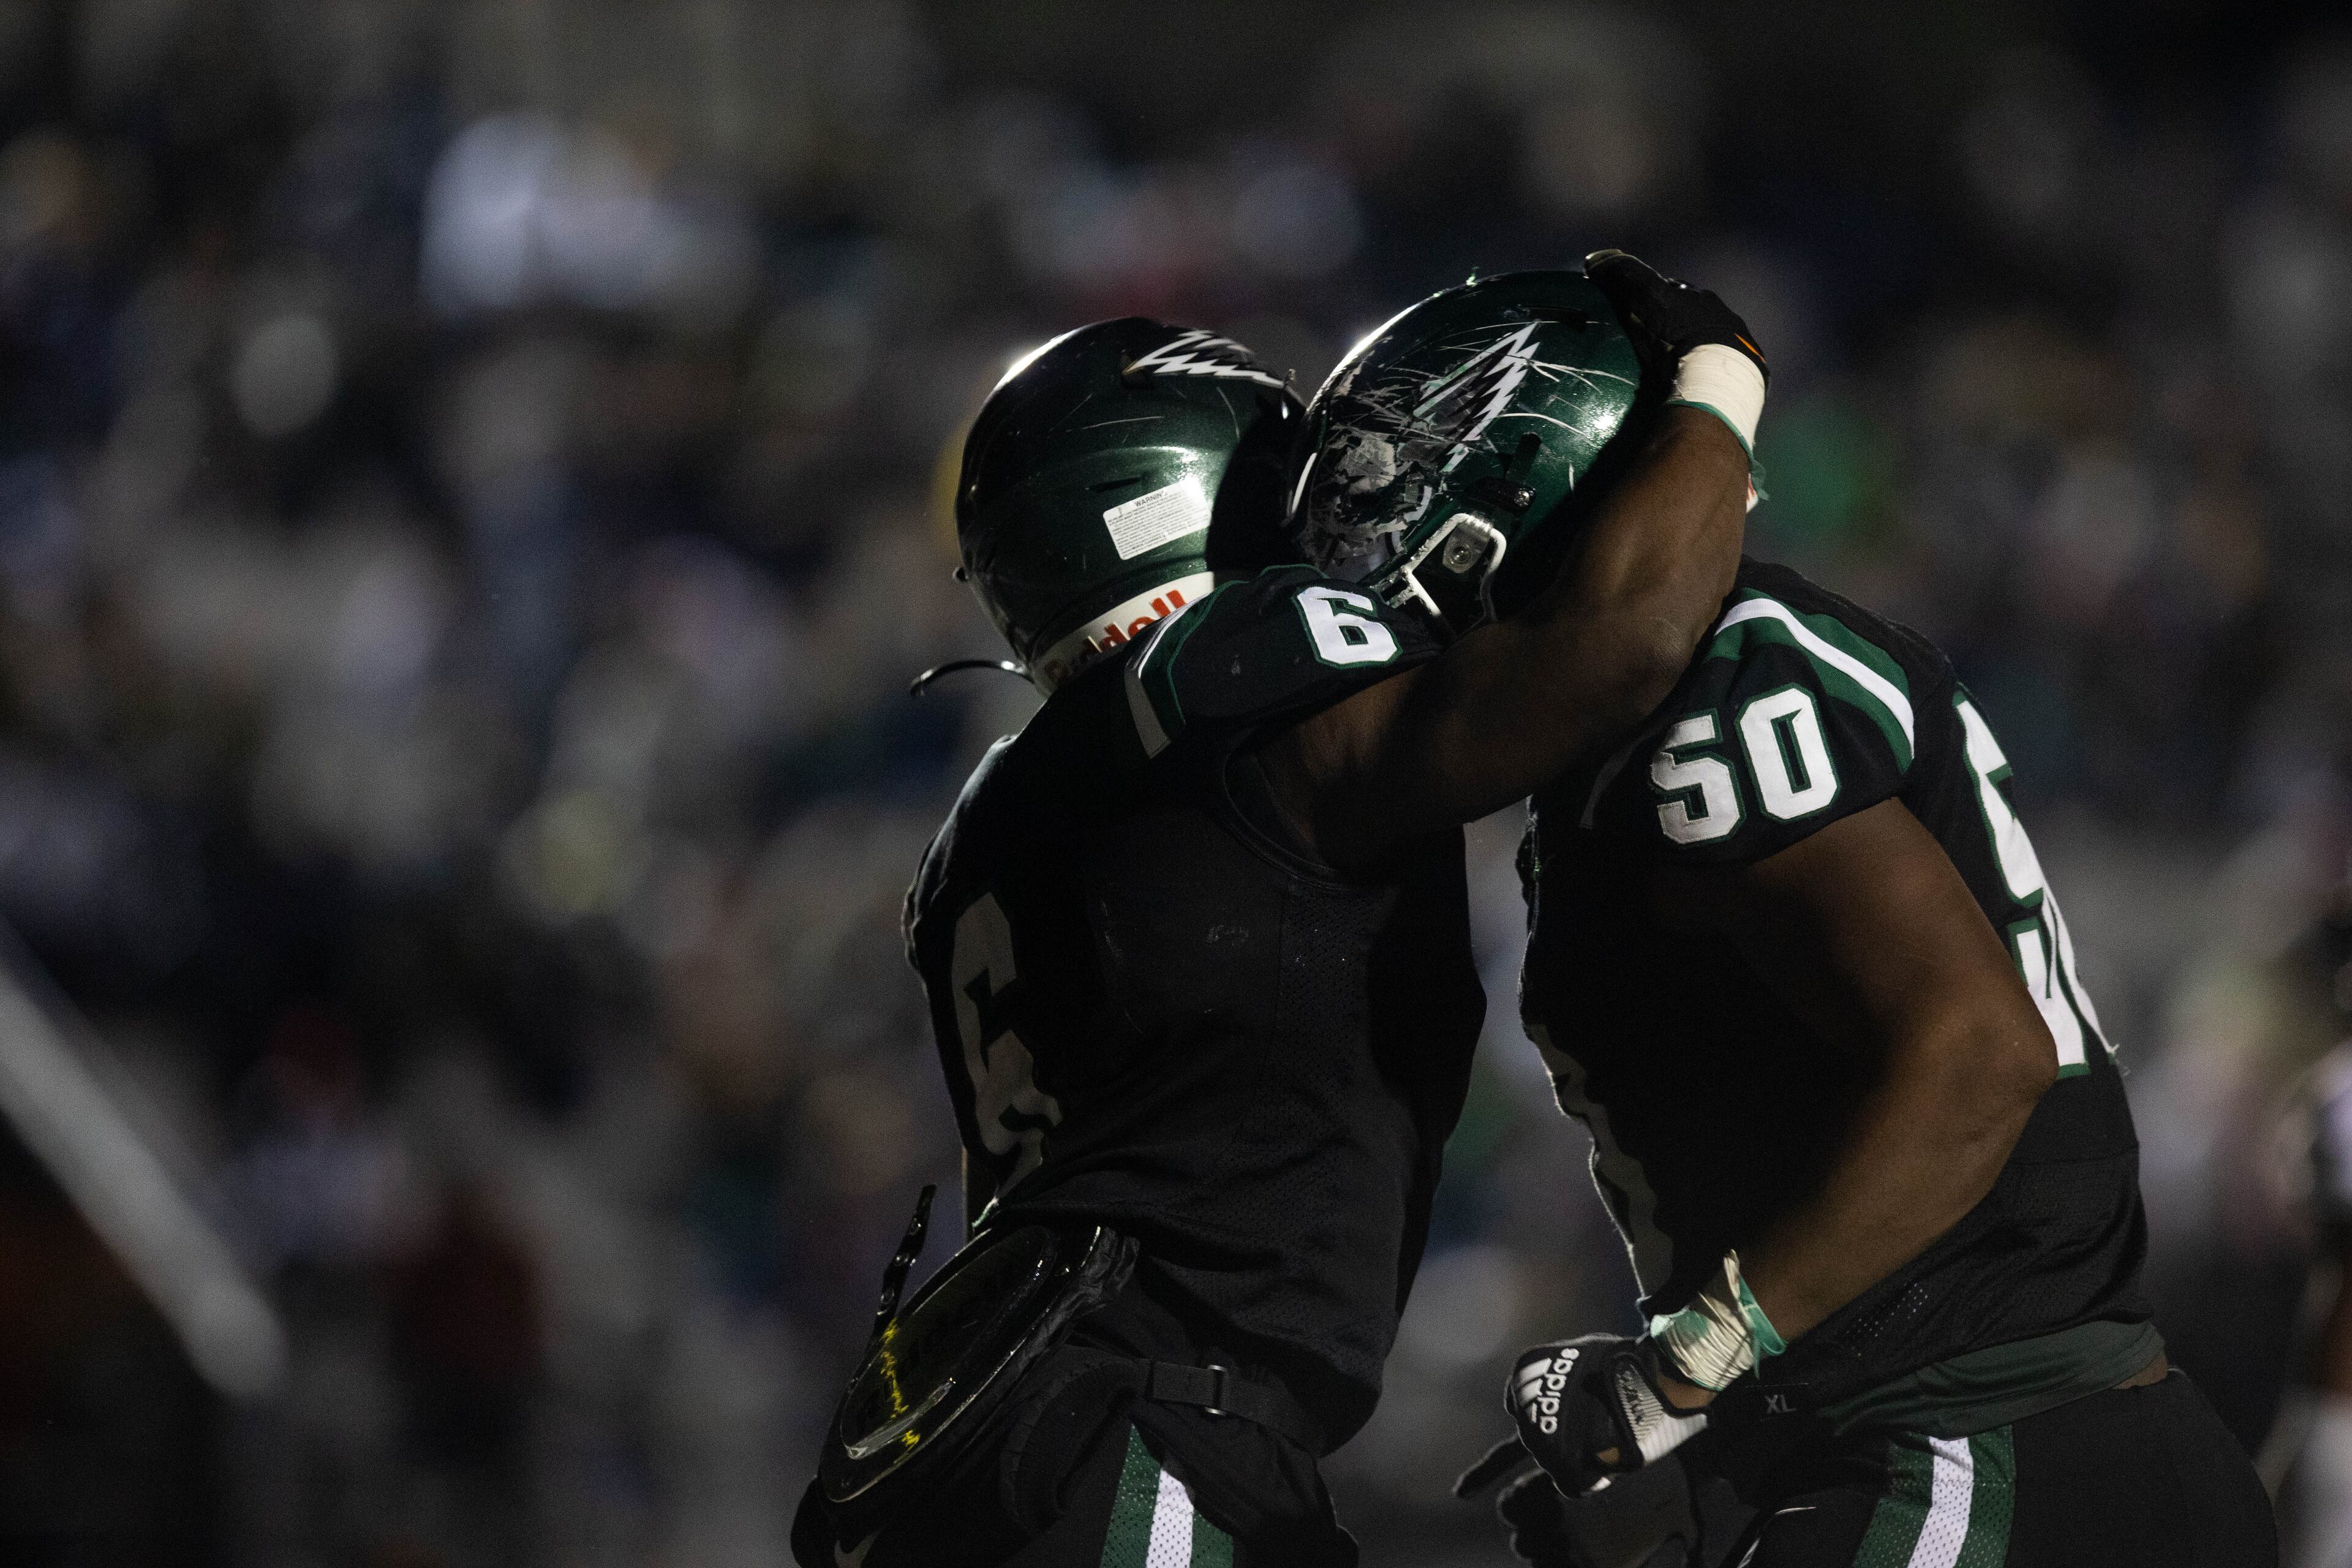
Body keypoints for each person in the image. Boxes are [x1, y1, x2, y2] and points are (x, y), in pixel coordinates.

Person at [793, 259, 1766, 1567]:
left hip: (1053, 1418)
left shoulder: (1003, 808)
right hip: (1142, 1423)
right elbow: (1620, 642)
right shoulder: (1227, 677)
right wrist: (1716, 379)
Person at [1278, 296, 2280, 1561]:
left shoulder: (1720, 689)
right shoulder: (1654, 720)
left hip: (1975, 1444)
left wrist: (1687, 1367)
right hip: (1982, 1431)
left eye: (1397, 521)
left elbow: (1982, 1058)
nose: (1382, 595)